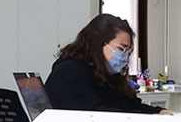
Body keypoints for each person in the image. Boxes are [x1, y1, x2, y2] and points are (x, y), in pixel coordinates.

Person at [45, 13, 174, 115]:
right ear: (99, 43)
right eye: (121, 48)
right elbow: (95, 115)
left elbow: (132, 106)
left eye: (128, 51)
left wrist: (158, 112)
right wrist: (149, 117)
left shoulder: (108, 75)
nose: (125, 55)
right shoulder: (70, 72)